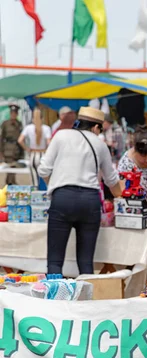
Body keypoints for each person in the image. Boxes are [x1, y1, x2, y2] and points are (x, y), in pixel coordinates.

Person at [38, 107, 122, 276]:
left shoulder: (61, 135)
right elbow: (111, 180)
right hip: (89, 202)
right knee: (85, 262)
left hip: (62, 198)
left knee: (55, 260)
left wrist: (55, 183)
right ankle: (87, 300)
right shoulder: (100, 144)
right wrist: (121, 195)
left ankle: (53, 299)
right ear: (96, 128)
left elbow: (43, 170)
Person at [18, 108, 51, 187]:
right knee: (47, 179)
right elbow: (49, 143)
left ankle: (34, 196)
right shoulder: (46, 128)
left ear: (33, 118)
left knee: (34, 181)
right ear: (42, 118)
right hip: (43, 154)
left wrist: (27, 149)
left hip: (33, 154)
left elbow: (20, 140)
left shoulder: (28, 128)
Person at [0, 104, 24, 185]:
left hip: (16, 149)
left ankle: (10, 183)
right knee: (9, 167)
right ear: (10, 113)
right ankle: (10, 183)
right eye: (12, 113)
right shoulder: (5, 124)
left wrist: (22, 152)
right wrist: (1, 151)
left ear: (17, 114)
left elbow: (21, 137)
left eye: (15, 113)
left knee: (14, 168)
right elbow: (1, 137)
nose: (13, 114)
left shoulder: (19, 124)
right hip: (8, 148)